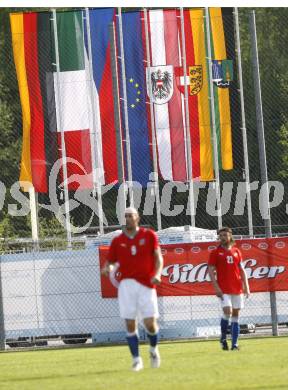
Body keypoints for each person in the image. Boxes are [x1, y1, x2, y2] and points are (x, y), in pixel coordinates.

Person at [101, 207, 163, 371]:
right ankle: (136, 360)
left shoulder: (149, 235)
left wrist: (157, 274)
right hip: (126, 285)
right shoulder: (117, 240)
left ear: (138, 218)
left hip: (146, 284)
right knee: (130, 323)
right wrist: (107, 268)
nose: (128, 218)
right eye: (126, 216)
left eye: (131, 216)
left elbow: (158, 258)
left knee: (150, 324)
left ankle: (153, 349)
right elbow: (111, 261)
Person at [208, 227, 250, 351]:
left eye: (225, 235)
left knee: (236, 315)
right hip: (223, 289)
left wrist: (247, 287)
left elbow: (242, 270)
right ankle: (223, 337)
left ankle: (234, 344)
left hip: (237, 288)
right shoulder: (215, 252)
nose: (222, 237)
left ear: (230, 236)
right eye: (220, 235)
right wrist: (216, 287)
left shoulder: (237, 251)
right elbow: (210, 271)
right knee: (228, 312)